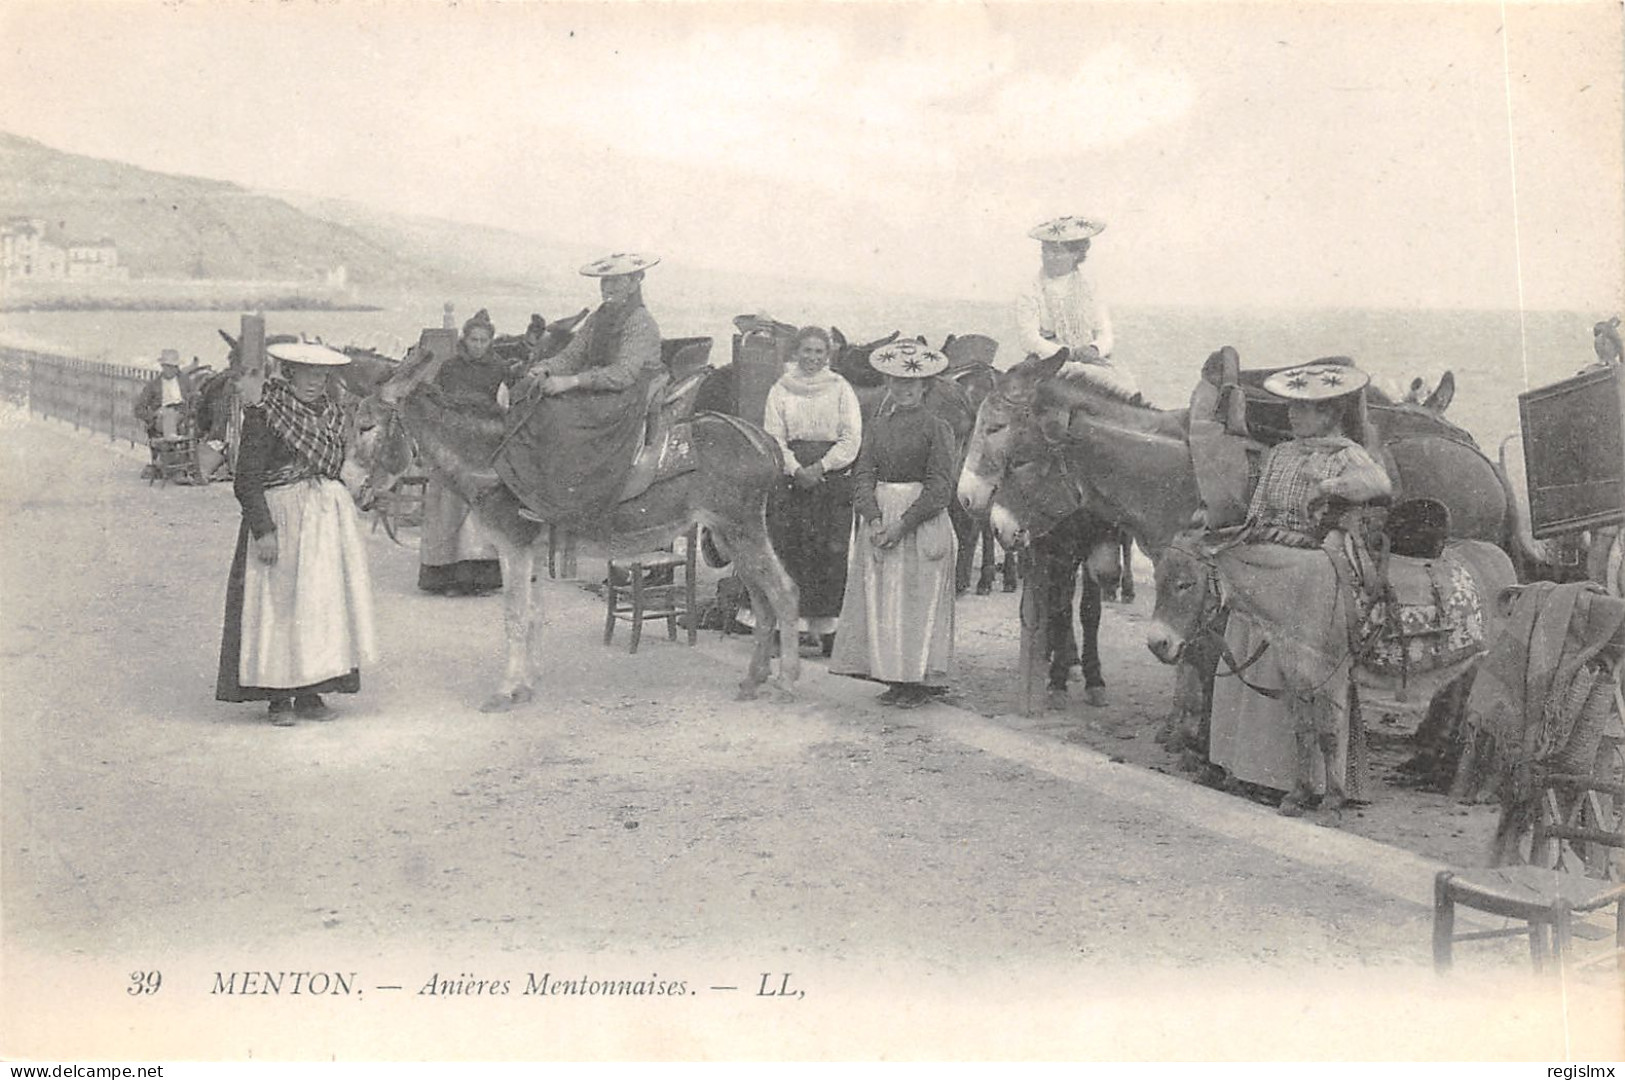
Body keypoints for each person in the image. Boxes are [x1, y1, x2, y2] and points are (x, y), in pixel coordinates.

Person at [1207, 359, 1392, 798]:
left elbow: (1378, 483)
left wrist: (1328, 487)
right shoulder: (1280, 454)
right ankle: (1246, 766)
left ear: (1328, 413)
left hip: (1313, 562)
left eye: (1303, 409)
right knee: (1242, 619)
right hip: (1275, 554)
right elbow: (1258, 512)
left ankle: (1297, 777)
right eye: (1292, 408)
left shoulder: (1346, 452)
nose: (1292, 415)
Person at [216, 341, 377, 725]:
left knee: (320, 605)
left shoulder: (336, 416)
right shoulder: (266, 413)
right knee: (280, 607)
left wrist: (362, 489)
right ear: (289, 375)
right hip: (282, 518)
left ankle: (311, 692)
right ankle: (278, 697)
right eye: (305, 375)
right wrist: (263, 531)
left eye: (320, 376)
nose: (313, 383)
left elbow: (339, 466)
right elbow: (246, 480)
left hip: (324, 524)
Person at [829, 341, 959, 707]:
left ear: (924, 387)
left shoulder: (938, 428)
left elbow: (939, 487)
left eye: (912, 384)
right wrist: (872, 518)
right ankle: (894, 677)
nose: (904, 389)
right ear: (888, 383)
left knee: (917, 601)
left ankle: (918, 680)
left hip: (921, 520)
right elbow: (863, 474)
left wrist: (903, 524)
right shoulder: (877, 427)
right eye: (897, 382)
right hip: (881, 517)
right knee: (886, 600)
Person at [496, 253, 665, 529]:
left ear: (635, 282)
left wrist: (571, 382)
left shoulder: (641, 321)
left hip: (628, 392)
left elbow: (623, 373)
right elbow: (571, 356)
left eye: (614, 282)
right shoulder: (598, 318)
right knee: (534, 398)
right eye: (604, 282)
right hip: (599, 384)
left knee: (563, 420)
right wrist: (544, 369)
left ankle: (569, 502)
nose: (606, 288)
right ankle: (533, 490)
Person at [761, 325, 864, 656]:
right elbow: (773, 436)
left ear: (828, 355)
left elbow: (851, 437)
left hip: (830, 479)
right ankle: (785, 628)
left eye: (819, 352)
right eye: (807, 350)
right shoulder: (781, 389)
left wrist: (821, 467)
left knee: (829, 554)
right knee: (789, 550)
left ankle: (828, 631)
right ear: (796, 352)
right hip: (791, 478)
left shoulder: (841, 388)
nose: (813, 358)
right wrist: (795, 468)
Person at [418, 308, 509, 596]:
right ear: (465, 339)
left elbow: (505, 404)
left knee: (479, 508)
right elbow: (436, 402)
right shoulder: (449, 368)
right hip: (453, 441)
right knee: (448, 506)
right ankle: (445, 576)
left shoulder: (499, 369)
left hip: (484, 443)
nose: (478, 345)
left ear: (490, 342)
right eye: (474, 339)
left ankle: (480, 577)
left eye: (484, 340)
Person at [1016, 215, 1136, 398]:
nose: (1049, 257)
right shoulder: (1031, 289)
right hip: (1048, 362)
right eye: (1045, 251)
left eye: (1057, 252)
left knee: (1125, 388)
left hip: (1092, 361)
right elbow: (1028, 337)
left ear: (1076, 255)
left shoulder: (1090, 286)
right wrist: (1067, 354)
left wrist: (1095, 349)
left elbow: (1104, 331)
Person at [134, 349, 196, 477]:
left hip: (181, 414)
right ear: (162, 367)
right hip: (160, 417)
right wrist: (154, 415)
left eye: (173, 367)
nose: (170, 370)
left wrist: (191, 410)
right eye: (167, 367)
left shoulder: (185, 381)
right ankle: (171, 449)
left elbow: (195, 399)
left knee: (172, 415)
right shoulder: (154, 385)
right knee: (168, 414)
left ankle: (172, 453)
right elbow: (139, 408)